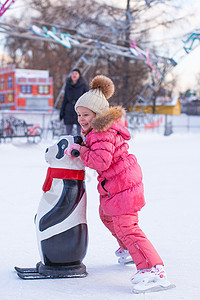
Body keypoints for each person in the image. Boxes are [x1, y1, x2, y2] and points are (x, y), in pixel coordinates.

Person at [64, 75, 175, 294]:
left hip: (123, 184)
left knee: (128, 227)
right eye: (79, 115)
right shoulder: (95, 133)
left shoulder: (102, 132)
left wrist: (82, 151)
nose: (81, 119)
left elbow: (101, 161)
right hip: (115, 184)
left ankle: (153, 270)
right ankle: (128, 249)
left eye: (86, 115)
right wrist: (84, 145)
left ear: (98, 114)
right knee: (106, 215)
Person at [59, 68, 89, 135]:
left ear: (79, 75)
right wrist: (62, 112)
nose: (74, 75)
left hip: (80, 110)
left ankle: (80, 144)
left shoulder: (83, 84)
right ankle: (70, 145)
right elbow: (65, 99)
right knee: (68, 133)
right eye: (73, 73)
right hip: (69, 110)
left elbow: (87, 98)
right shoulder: (68, 84)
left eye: (76, 73)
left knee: (80, 133)